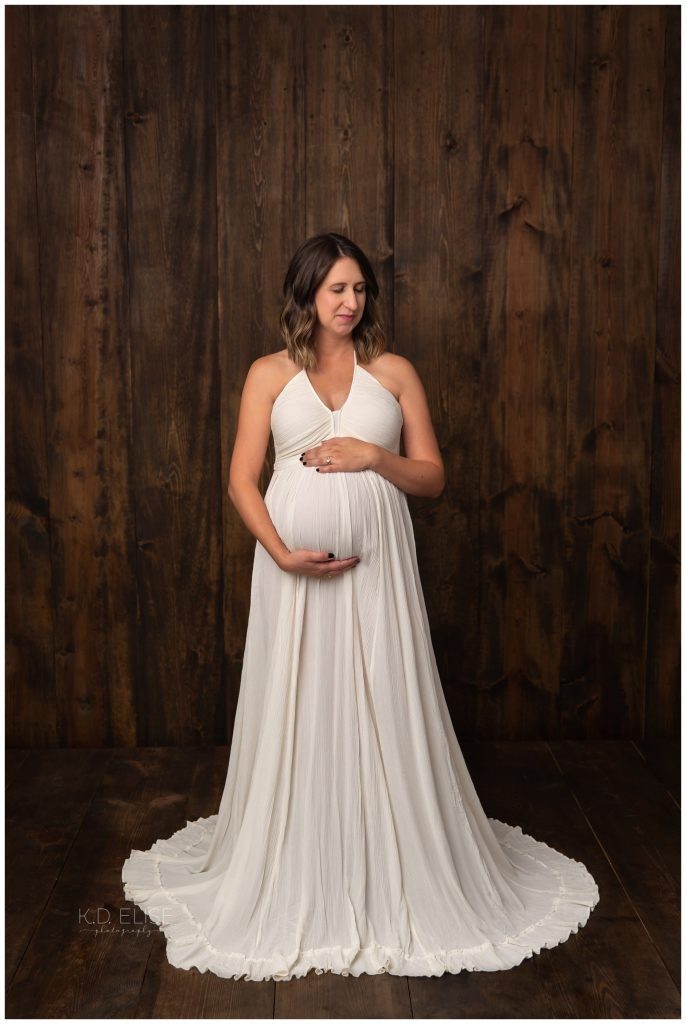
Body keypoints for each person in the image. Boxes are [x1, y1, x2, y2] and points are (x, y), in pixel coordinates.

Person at [122, 232, 600, 982]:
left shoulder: (395, 372)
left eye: (361, 290)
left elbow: (434, 478)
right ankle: (298, 856)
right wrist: (282, 553)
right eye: (338, 289)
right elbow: (243, 480)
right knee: (302, 699)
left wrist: (373, 456)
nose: (352, 303)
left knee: (381, 694)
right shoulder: (269, 374)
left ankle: (391, 854)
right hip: (291, 574)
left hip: (380, 571)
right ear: (307, 293)